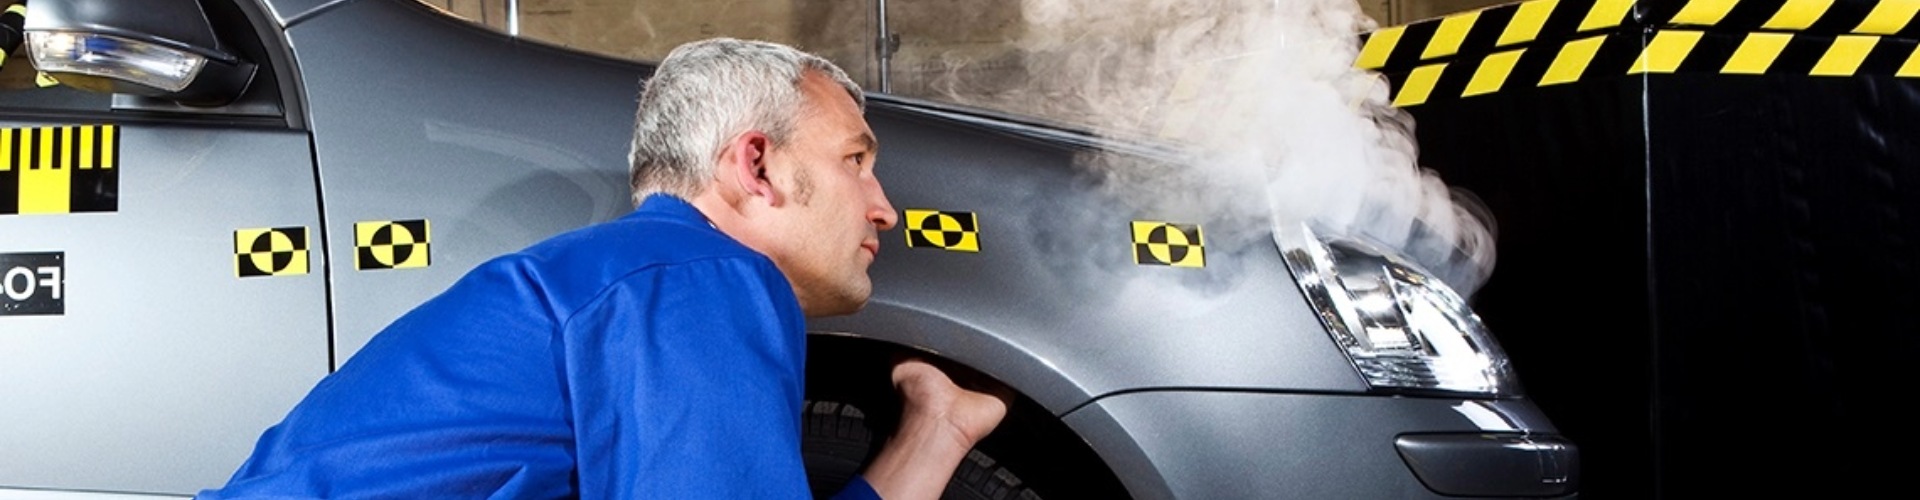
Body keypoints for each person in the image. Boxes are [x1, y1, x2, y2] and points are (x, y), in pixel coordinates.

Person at [197, 38, 1010, 499]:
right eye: (856, 161)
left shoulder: (629, 277)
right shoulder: (697, 277)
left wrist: (933, 440)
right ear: (755, 166)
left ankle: (937, 429)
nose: (885, 209)